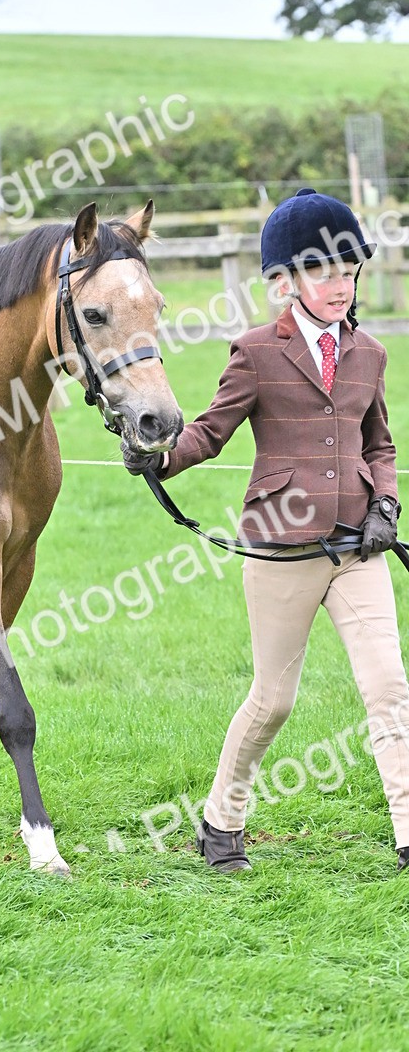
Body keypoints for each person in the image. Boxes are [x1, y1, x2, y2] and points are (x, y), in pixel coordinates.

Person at [123, 188, 409, 873]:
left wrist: (387, 508)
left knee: (389, 690)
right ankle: (221, 822)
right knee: (273, 701)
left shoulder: (368, 352)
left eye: (349, 269)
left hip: (358, 549)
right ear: (287, 281)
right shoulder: (256, 352)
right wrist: (160, 457)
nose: (339, 284)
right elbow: (212, 433)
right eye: (323, 271)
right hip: (284, 550)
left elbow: (381, 446)